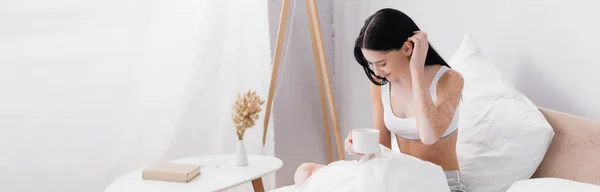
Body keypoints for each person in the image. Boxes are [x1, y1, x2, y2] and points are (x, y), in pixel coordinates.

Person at [293, 8, 466, 192]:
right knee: (305, 173)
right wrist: (361, 148)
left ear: (407, 48)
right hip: (399, 177)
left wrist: (417, 71)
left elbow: (429, 135)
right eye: (371, 64)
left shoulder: (449, 80)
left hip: (441, 183)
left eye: (382, 63)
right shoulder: (381, 85)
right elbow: (382, 148)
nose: (376, 72)